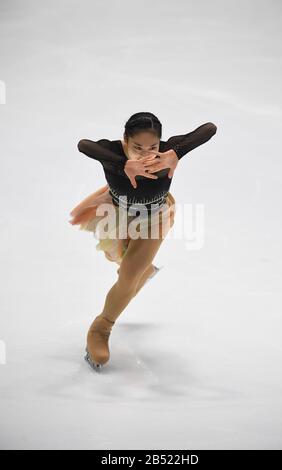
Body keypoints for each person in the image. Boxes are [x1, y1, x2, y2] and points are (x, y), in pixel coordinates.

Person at [69, 112, 217, 371]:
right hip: (115, 214)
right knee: (124, 262)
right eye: (137, 148)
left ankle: (102, 327)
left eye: (153, 147)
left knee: (127, 276)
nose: (146, 154)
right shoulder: (113, 151)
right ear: (125, 140)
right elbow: (84, 145)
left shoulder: (167, 153)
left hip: (155, 218)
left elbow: (209, 128)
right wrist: (121, 164)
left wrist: (176, 152)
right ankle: (144, 270)